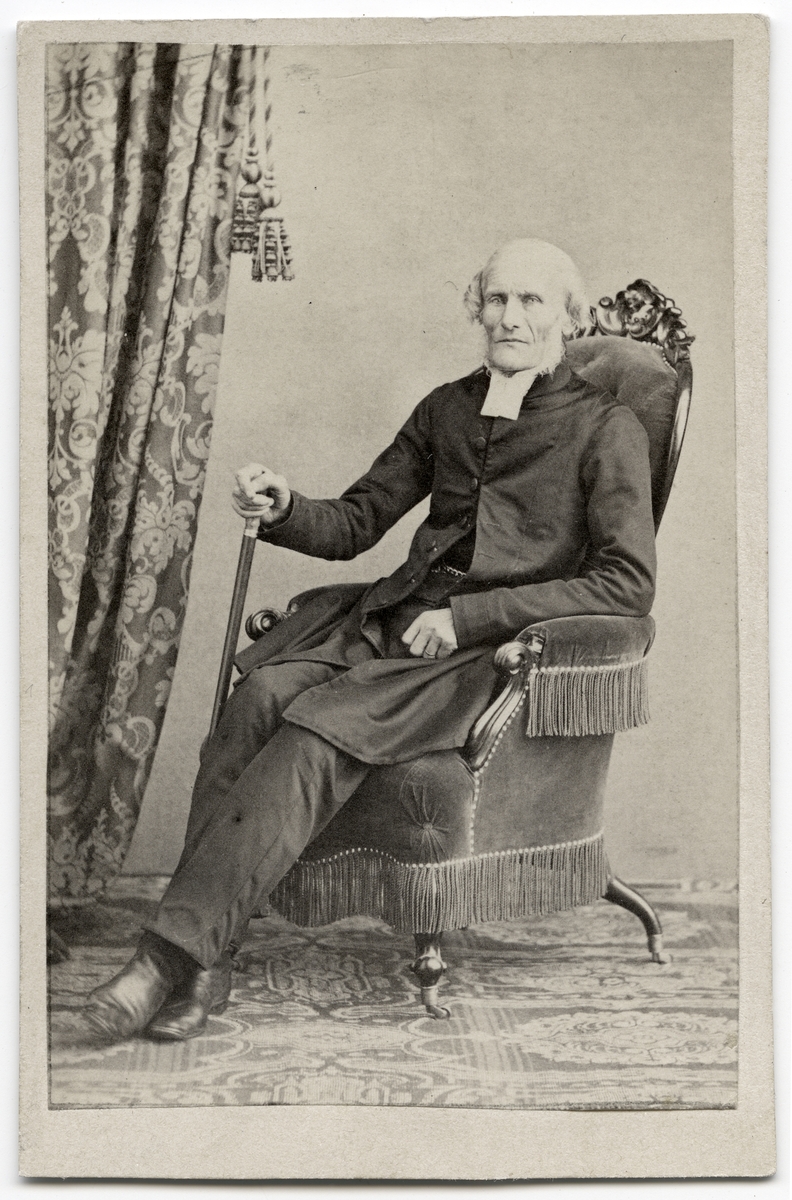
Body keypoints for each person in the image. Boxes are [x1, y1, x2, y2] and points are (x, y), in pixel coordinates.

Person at [83, 238, 657, 1042]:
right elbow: (358, 521)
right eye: (496, 298)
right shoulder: (449, 406)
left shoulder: (606, 427)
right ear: (477, 307)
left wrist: (470, 619)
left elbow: (627, 583)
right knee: (259, 698)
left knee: (313, 734)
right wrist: (285, 507)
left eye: (531, 301)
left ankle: (161, 963)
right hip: (391, 626)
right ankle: (212, 961)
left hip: (479, 659)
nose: (509, 317)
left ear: (568, 317)